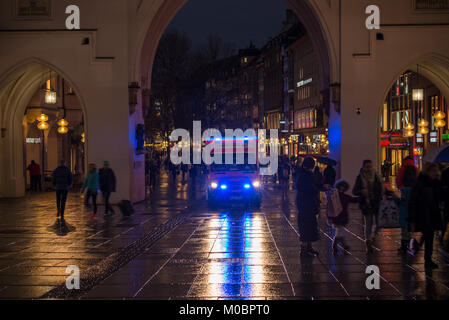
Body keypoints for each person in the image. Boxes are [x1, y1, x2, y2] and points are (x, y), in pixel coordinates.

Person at [408, 163, 444, 269]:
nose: (435, 173)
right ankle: (427, 259)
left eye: (436, 171)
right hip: (423, 214)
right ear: (427, 171)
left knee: (429, 236)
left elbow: (441, 196)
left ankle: (423, 254)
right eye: (433, 171)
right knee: (428, 236)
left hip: (432, 214)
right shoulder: (420, 183)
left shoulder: (436, 183)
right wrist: (412, 218)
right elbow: (413, 201)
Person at [353, 159, 384, 253]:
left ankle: (373, 237)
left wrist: (381, 194)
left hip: (376, 202)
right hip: (366, 204)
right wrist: (362, 192)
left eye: (370, 166)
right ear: (363, 167)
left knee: (379, 223)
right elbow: (354, 191)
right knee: (368, 223)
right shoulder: (360, 177)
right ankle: (368, 241)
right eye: (367, 167)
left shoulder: (377, 176)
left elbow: (381, 188)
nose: (369, 168)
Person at [296, 157, 322, 256]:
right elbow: (307, 189)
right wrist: (315, 189)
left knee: (310, 226)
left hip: (309, 204)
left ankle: (309, 247)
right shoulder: (304, 176)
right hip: (306, 204)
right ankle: (304, 249)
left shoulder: (308, 174)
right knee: (306, 226)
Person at [329, 180, 359, 254]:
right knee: (339, 231)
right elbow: (353, 200)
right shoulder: (344, 197)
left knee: (339, 231)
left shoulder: (334, 196)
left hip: (336, 217)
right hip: (341, 217)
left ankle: (341, 245)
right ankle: (336, 245)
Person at [395, 156, 419, 252]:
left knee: (404, 214)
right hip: (413, 192)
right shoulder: (415, 168)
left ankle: (405, 243)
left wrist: (401, 189)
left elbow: (398, 181)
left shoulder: (402, 168)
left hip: (405, 191)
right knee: (411, 216)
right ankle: (412, 240)